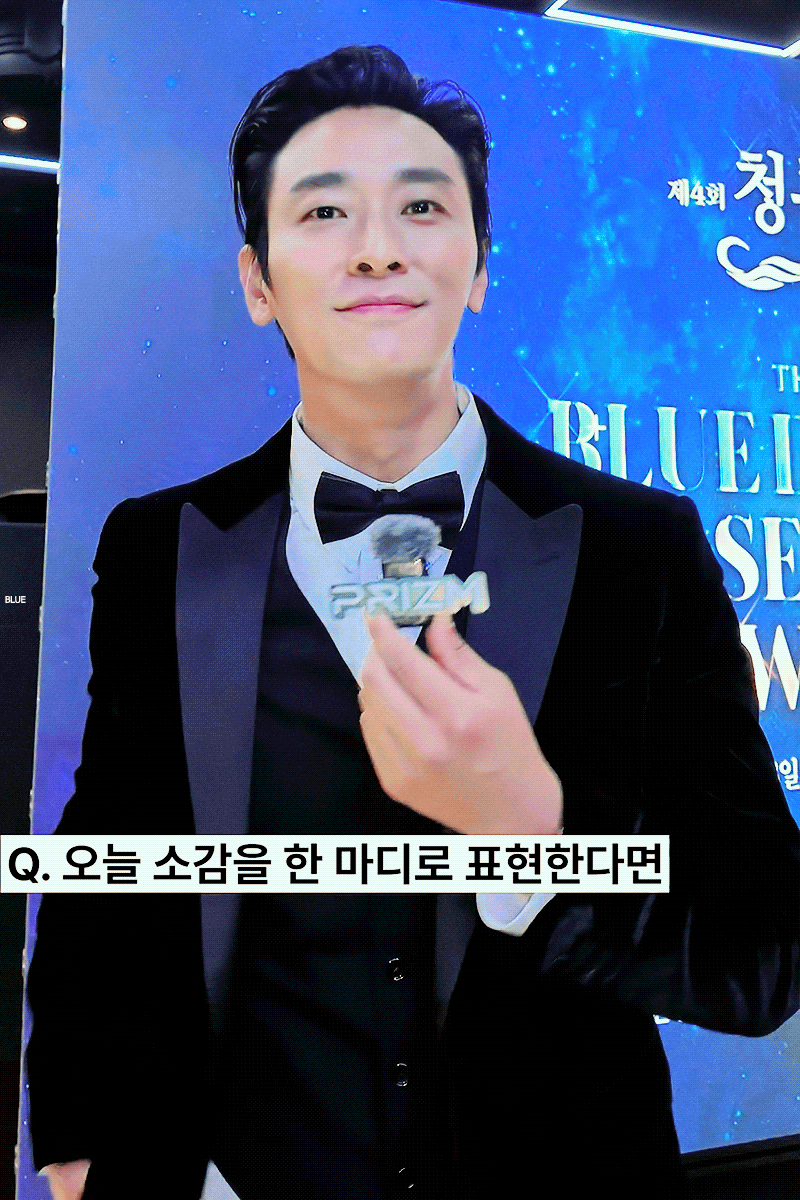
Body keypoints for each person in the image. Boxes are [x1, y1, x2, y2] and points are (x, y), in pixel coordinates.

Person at [27, 44, 799, 1200]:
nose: (377, 247)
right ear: (256, 280)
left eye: (421, 207)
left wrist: (532, 836)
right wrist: (78, 1143)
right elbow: (109, 871)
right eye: (323, 210)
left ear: (478, 265)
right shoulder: (161, 546)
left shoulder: (636, 547)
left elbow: (761, 951)